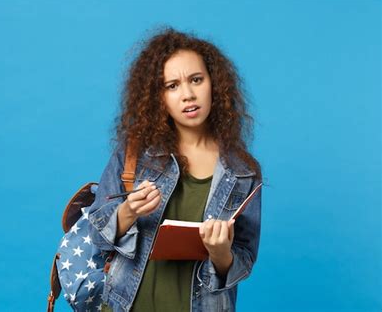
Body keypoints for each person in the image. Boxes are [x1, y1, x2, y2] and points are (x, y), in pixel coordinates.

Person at [88, 27, 262, 312]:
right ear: (159, 97)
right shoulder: (134, 152)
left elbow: (244, 260)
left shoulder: (243, 172)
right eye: (172, 86)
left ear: (214, 84)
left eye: (196, 80)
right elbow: (96, 233)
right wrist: (128, 211)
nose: (188, 95)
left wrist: (221, 254)